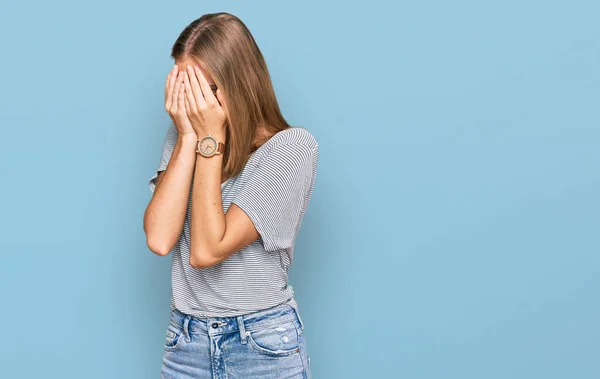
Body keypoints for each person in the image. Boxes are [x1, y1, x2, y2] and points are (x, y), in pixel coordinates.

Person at [143, 12, 318, 379]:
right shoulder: (184, 136)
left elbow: (207, 249)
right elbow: (159, 239)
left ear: (237, 83)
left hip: (261, 344)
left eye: (200, 89)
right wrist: (189, 137)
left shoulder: (291, 148)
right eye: (182, 86)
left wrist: (209, 140)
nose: (191, 103)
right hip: (185, 343)